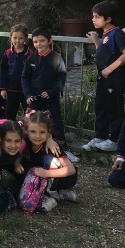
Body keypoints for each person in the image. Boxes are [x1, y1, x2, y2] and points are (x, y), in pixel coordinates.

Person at [83, 0, 125, 152]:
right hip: (103, 79)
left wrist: (110, 69)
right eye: (93, 16)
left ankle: (114, 139)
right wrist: (96, 41)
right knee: (101, 107)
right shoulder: (106, 34)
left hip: (113, 79)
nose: (93, 19)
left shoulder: (116, 33)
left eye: (97, 16)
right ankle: (100, 136)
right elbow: (106, 52)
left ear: (108, 19)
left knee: (114, 109)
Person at [21, 28, 76, 161]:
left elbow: (61, 78)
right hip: (34, 98)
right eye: (35, 41)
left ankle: (63, 150)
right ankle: (33, 150)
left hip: (51, 98)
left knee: (56, 123)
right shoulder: (31, 58)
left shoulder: (56, 58)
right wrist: (28, 94)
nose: (38, 44)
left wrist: (51, 91)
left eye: (42, 41)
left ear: (49, 41)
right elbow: (25, 78)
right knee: (34, 123)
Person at [21, 110, 78, 212]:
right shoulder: (25, 143)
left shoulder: (53, 147)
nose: (37, 136)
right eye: (33, 131)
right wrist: (17, 162)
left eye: (42, 132)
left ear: (48, 133)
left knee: (49, 160)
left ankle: (53, 195)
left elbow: (71, 169)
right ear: (26, 131)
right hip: (39, 176)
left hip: (60, 177)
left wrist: (46, 173)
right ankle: (59, 192)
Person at [0, 24, 33, 121]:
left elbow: (34, 73)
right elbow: (3, 71)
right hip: (11, 90)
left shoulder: (31, 54)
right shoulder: (7, 53)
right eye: (15, 38)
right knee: (9, 116)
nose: (17, 41)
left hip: (27, 91)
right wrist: (3, 88)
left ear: (25, 38)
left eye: (20, 38)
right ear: (11, 37)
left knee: (30, 116)